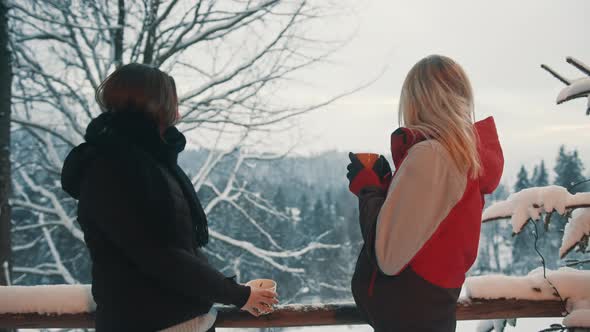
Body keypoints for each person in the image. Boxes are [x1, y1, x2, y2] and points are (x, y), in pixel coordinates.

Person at [61, 63, 278, 332]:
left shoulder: (150, 162)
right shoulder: (116, 167)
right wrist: (238, 295)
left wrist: (233, 290)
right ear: (154, 103)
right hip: (150, 322)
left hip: (178, 319)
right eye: (172, 100)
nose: (178, 109)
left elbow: (179, 247)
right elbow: (160, 256)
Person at [346, 55, 504, 331]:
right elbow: (427, 234)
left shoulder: (432, 156)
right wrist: (386, 187)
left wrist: (368, 190)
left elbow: (388, 255)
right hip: (429, 314)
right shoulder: (460, 157)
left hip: (409, 319)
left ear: (418, 100)